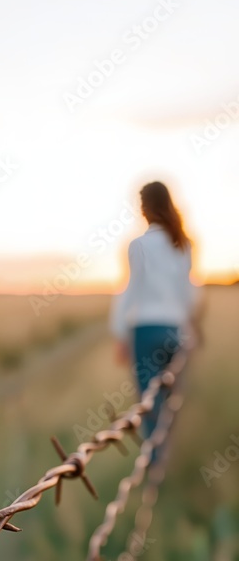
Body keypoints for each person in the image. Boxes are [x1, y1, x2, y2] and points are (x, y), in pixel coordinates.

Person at [110, 181, 200, 440]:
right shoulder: (183, 244)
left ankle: (155, 458)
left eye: (142, 205)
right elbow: (187, 292)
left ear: (148, 207)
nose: (141, 210)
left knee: (149, 402)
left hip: (145, 331)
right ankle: (167, 451)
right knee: (171, 398)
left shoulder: (139, 245)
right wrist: (188, 329)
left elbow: (131, 290)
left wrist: (119, 333)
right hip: (174, 330)